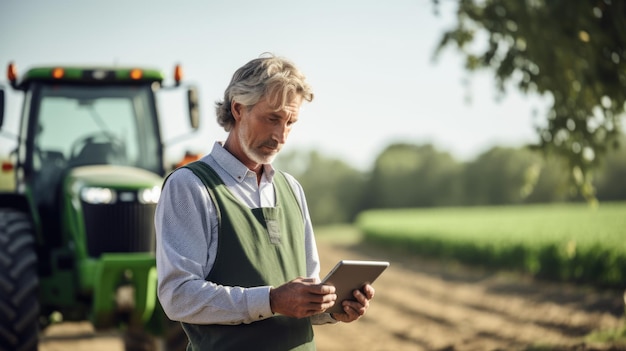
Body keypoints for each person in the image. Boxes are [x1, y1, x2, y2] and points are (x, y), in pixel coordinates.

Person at [155, 53, 375, 350]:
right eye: (272, 118)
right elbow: (178, 296)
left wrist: (334, 309)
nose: (280, 135)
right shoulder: (190, 186)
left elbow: (300, 302)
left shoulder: (292, 189)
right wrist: (271, 300)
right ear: (238, 109)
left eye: (290, 122)